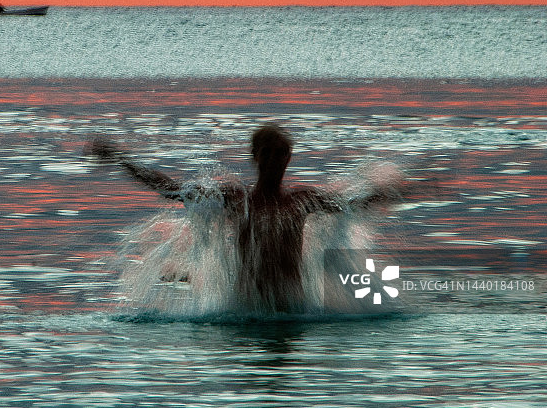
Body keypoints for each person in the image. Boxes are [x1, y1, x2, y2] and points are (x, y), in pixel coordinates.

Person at [86, 124, 403, 313]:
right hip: (246, 306)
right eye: (266, 154)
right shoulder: (237, 200)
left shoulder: (301, 200)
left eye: (279, 154)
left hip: (292, 306)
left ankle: (186, 275)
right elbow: (171, 190)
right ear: (255, 157)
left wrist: (393, 192)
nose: (273, 161)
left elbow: (351, 204)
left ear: (288, 159)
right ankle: (187, 275)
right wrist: (120, 159)